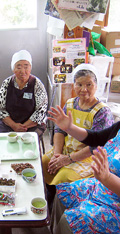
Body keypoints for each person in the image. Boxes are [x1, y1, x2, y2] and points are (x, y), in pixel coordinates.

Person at [49, 80, 120, 234]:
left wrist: (107, 177)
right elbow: (96, 138)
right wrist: (69, 127)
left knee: (70, 223)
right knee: (62, 195)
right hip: (105, 186)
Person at [42, 64, 114, 210]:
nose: (84, 89)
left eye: (89, 84)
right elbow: (59, 130)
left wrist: (68, 159)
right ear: (74, 85)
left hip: (88, 157)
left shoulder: (102, 112)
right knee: (44, 162)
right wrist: (57, 154)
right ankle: (49, 198)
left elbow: (96, 146)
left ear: (96, 85)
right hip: (66, 150)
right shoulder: (69, 104)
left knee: (64, 176)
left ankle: (58, 207)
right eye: (79, 84)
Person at [0, 50, 48, 137]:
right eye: (18, 67)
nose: (23, 71)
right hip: (9, 124)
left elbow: (40, 111)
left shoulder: (37, 84)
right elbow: (1, 110)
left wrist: (22, 127)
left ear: (30, 67)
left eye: (26, 67)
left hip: (32, 124)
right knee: (3, 142)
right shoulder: (6, 83)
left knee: (29, 142)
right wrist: (14, 125)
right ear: (13, 69)